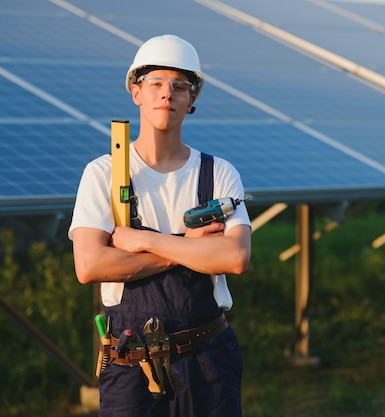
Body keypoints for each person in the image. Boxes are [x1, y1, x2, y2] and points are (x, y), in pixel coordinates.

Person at [68, 34, 252, 417]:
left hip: (208, 362)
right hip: (130, 365)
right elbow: (90, 265)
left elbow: (234, 257)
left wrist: (138, 241)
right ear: (136, 92)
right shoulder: (104, 173)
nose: (166, 93)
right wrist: (188, 247)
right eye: (155, 83)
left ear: (192, 99)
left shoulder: (219, 174)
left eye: (179, 86)